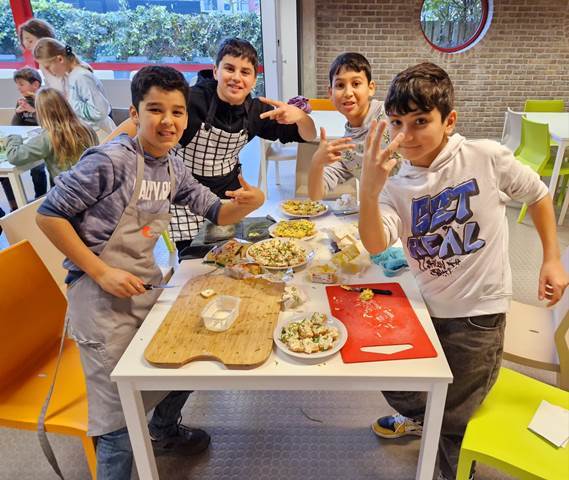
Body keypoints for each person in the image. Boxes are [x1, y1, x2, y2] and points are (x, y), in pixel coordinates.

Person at [36, 65, 265, 479]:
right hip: (99, 301)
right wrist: (101, 271)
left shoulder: (172, 165)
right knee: (118, 424)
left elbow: (216, 211)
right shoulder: (111, 160)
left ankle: (164, 429)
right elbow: (49, 215)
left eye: (177, 112)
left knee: (189, 353)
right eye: (155, 110)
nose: (168, 121)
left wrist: (251, 202)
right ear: (135, 113)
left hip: (143, 287)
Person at [358, 62, 569, 480]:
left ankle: (451, 463)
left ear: (449, 121)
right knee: (391, 377)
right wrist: (369, 189)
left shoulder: (483, 156)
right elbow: (377, 243)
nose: (407, 135)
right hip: (425, 307)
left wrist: (551, 257)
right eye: (397, 122)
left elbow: (538, 193)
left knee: (456, 417)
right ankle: (428, 418)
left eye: (421, 121)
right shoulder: (396, 184)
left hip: (478, 315)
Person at [107, 38, 316, 254]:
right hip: (186, 196)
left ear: (254, 79)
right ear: (216, 71)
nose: (236, 77)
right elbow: (137, 122)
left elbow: (309, 136)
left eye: (245, 72)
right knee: (195, 258)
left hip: (229, 194)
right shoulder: (192, 99)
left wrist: (301, 117)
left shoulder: (256, 111)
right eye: (229, 69)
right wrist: (104, 152)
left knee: (232, 255)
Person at [308, 52, 388, 200]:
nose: (348, 93)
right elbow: (316, 195)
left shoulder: (391, 113)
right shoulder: (347, 148)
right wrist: (316, 163)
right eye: (340, 85)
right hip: (381, 210)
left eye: (356, 84)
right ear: (330, 93)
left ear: (371, 88)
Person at [6, 87, 98, 185]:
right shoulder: (87, 129)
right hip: (91, 186)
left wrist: (14, 137)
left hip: (64, 190)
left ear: (41, 112)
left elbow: (14, 156)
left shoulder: (50, 137)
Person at [33, 38, 116, 140]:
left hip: (100, 136)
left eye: (47, 67)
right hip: (88, 134)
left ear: (60, 59)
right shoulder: (70, 76)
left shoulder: (81, 76)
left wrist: (70, 104)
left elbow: (100, 111)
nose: (48, 72)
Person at [0, 67, 47, 211]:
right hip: (24, 140)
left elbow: (47, 123)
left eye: (21, 84)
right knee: (6, 170)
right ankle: (14, 206)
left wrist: (32, 111)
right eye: (17, 84)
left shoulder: (44, 100)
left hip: (40, 140)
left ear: (35, 84)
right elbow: (15, 126)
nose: (18, 88)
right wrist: (18, 113)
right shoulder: (21, 101)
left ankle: (40, 198)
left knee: (37, 170)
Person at [18, 18, 65, 93]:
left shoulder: (55, 59)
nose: (26, 43)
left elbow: (60, 88)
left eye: (30, 40)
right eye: (24, 39)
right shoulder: (42, 63)